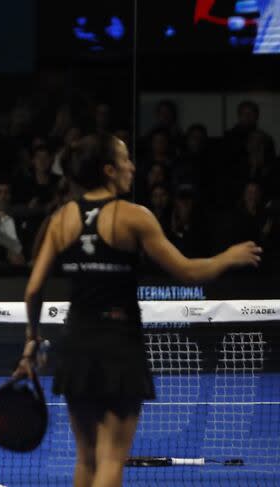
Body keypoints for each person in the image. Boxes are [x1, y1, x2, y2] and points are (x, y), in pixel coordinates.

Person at [13, 134, 261, 487]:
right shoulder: (135, 217)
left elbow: (34, 289)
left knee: (86, 459)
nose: (132, 166)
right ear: (109, 169)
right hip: (119, 347)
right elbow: (188, 272)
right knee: (113, 459)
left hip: (77, 345)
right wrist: (229, 257)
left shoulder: (61, 218)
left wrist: (32, 339)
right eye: (126, 159)